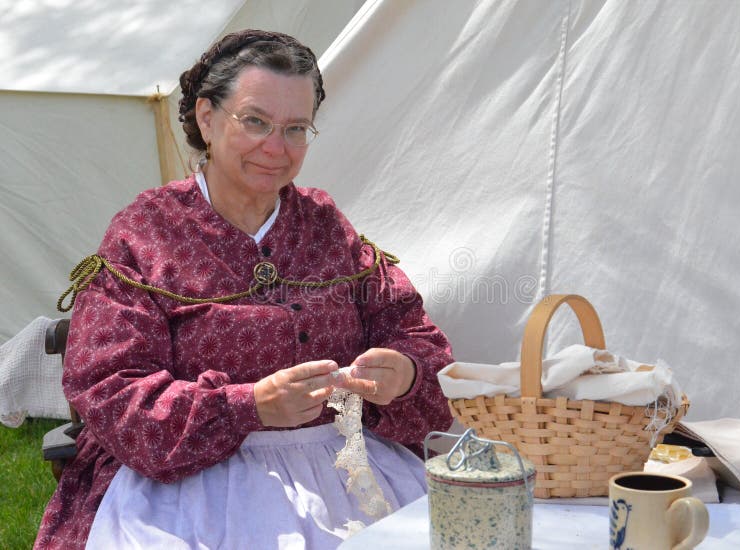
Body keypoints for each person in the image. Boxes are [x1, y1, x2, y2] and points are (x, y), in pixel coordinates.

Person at [35, 29, 453, 549]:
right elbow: (109, 387)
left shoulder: (325, 226)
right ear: (207, 118)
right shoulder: (146, 234)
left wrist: (405, 373)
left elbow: (418, 338)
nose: (276, 148)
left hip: (345, 473)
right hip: (186, 488)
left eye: (296, 128)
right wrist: (248, 405)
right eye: (255, 121)